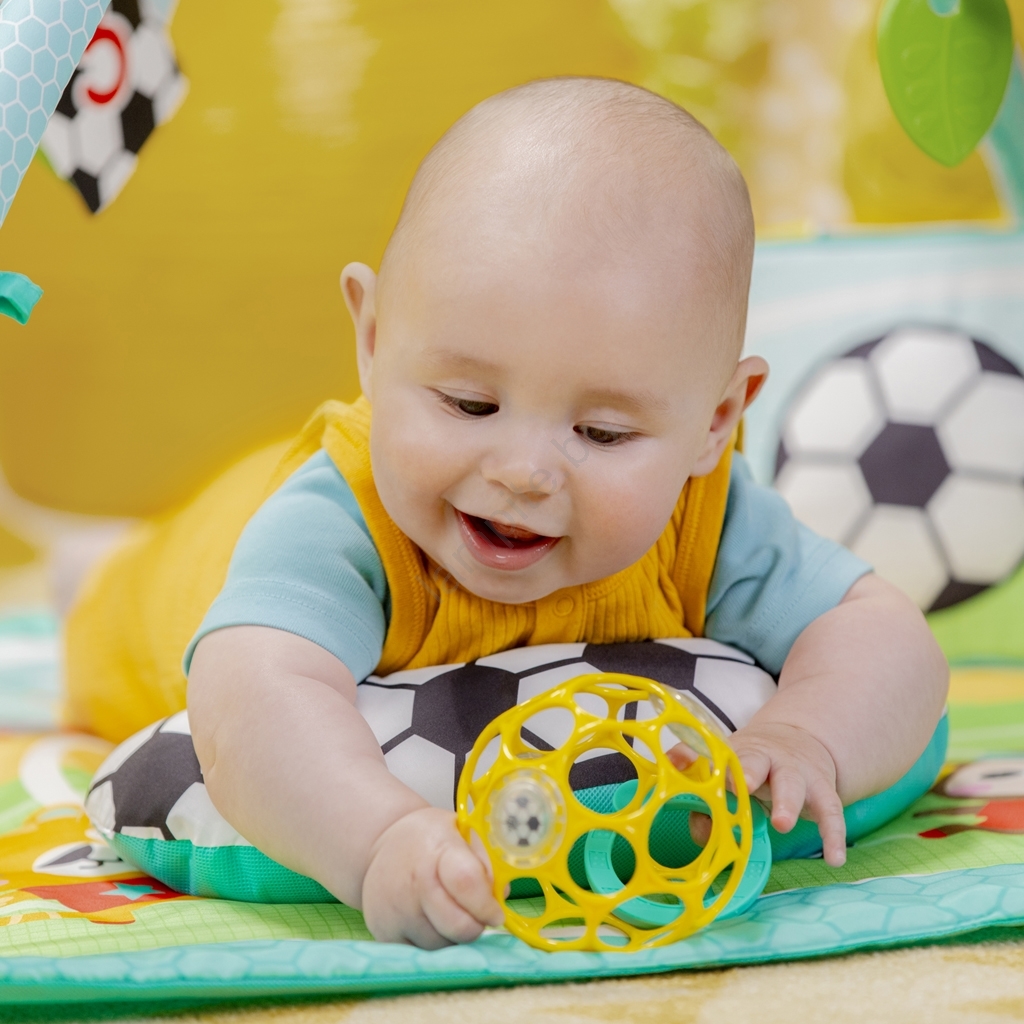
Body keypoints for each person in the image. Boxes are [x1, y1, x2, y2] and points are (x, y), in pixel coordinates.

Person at [66, 77, 948, 949]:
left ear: (716, 421)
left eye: (601, 433)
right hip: (171, 578)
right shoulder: (340, 522)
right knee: (106, 596)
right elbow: (251, 700)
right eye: (469, 404)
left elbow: (881, 634)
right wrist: (378, 840)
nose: (523, 472)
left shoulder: (707, 516)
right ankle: (85, 569)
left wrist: (807, 735)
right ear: (371, 339)